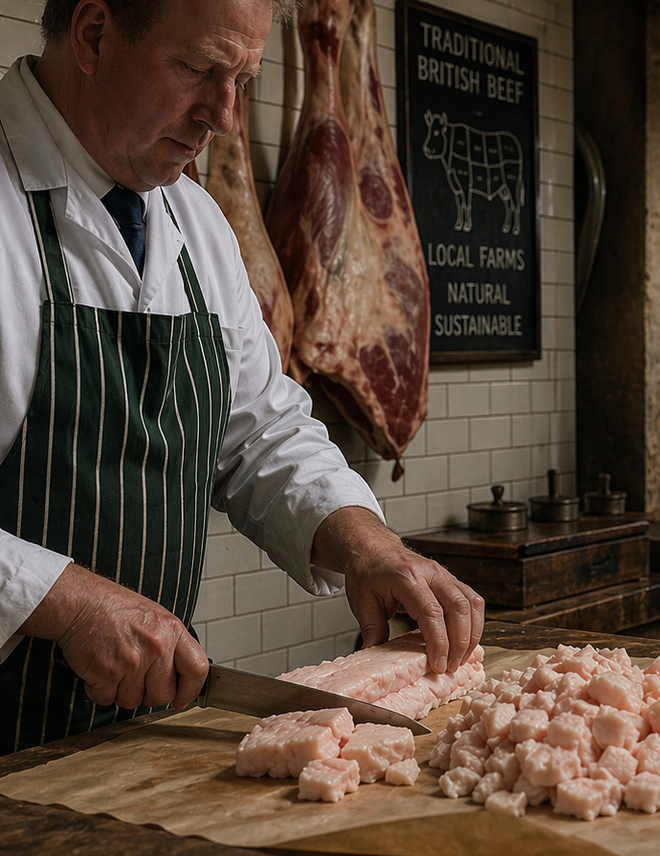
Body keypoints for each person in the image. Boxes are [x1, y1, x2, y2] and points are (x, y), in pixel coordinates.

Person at [0, 0, 484, 754]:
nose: (223, 116)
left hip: (136, 743)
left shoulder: (194, 221)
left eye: (244, 80)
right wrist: (63, 601)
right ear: (93, 35)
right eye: (198, 69)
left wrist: (367, 544)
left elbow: (260, 429)